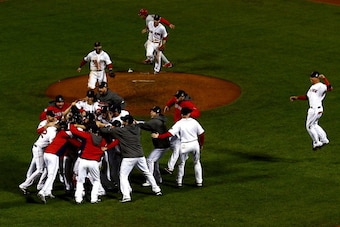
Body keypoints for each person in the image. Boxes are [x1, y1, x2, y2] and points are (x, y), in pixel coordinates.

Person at [100, 115, 162, 203]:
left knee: (123, 176)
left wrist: (103, 125)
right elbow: (140, 124)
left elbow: (105, 131)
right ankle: (157, 190)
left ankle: (126, 196)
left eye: (124, 121)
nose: (122, 122)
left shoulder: (121, 131)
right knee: (147, 173)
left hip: (129, 157)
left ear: (126, 122)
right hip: (140, 156)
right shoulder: (137, 129)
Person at [152, 107, 205, 187]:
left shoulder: (179, 123)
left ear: (181, 114)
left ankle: (179, 182)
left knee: (181, 164)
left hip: (184, 145)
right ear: (189, 114)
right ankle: (199, 181)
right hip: (194, 144)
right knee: (197, 162)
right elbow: (202, 134)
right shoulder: (194, 122)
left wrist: (159, 136)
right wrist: (201, 144)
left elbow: (170, 134)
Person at [69, 123, 118, 204]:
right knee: (96, 181)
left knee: (80, 181)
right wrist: (107, 147)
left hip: (83, 161)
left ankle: (78, 199)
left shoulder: (88, 136)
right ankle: (94, 199)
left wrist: (72, 124)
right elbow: (117, 140)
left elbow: (73, 131)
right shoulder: (102, 141)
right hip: (94, 163)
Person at [290, 71, 333, 150]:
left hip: (316, 109)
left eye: (312, 77)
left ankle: (317, 142)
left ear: (316, 78)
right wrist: (297, 97)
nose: (310, 79)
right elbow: (307, 97)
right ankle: (324, 140)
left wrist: (324, 78)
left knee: (309, 126)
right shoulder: (312, 87)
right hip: (314, 109)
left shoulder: (321, 86)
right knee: (314, 125)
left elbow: (330, 88)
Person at [19, 110, 58, 195]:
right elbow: (39, 132)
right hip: (38, 149)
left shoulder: (54, 124)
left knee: (44, 169)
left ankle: (39, 185)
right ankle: (24, 185)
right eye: (51, 116)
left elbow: (60, 122)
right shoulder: (48, 127)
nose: (53, 118)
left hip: (43, 149)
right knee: (40, 169)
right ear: (47, 116)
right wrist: (47, 125)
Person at [163, 89, 200, 174]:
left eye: (177, 97)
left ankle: (170, 167)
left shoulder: (187, 104)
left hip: (181, 128)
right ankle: (184, 157)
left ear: (182, 97)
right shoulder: (177, 99)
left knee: (175, 147)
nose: (175, 99)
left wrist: (188, 115)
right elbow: (173, 100)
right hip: (177, 126)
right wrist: (168, 105)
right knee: (171, 143)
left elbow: (197, 112)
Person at [137, 106, 171, 186]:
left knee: (150, 160)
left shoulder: (156, 121)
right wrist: (138, 122)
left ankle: (150, 180)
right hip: (164, 145)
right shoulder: (159, 119)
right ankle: (158, 178)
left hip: (161, 146)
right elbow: (147, 124)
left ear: (157, 113)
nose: (151, 113)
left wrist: (136, 123)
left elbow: (145, 125)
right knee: (154, 161)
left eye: (152, 111)